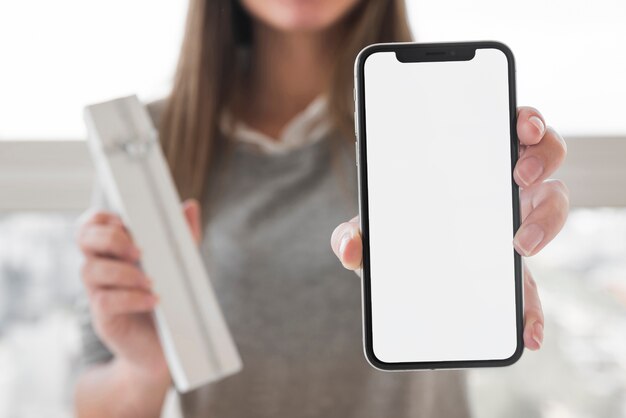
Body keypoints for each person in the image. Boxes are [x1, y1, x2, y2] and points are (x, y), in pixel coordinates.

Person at [74, 0, 569, 417]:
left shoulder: (440, 119)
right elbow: (88, 395)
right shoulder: (145, 141)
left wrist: (501, 228)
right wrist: (145, 370)